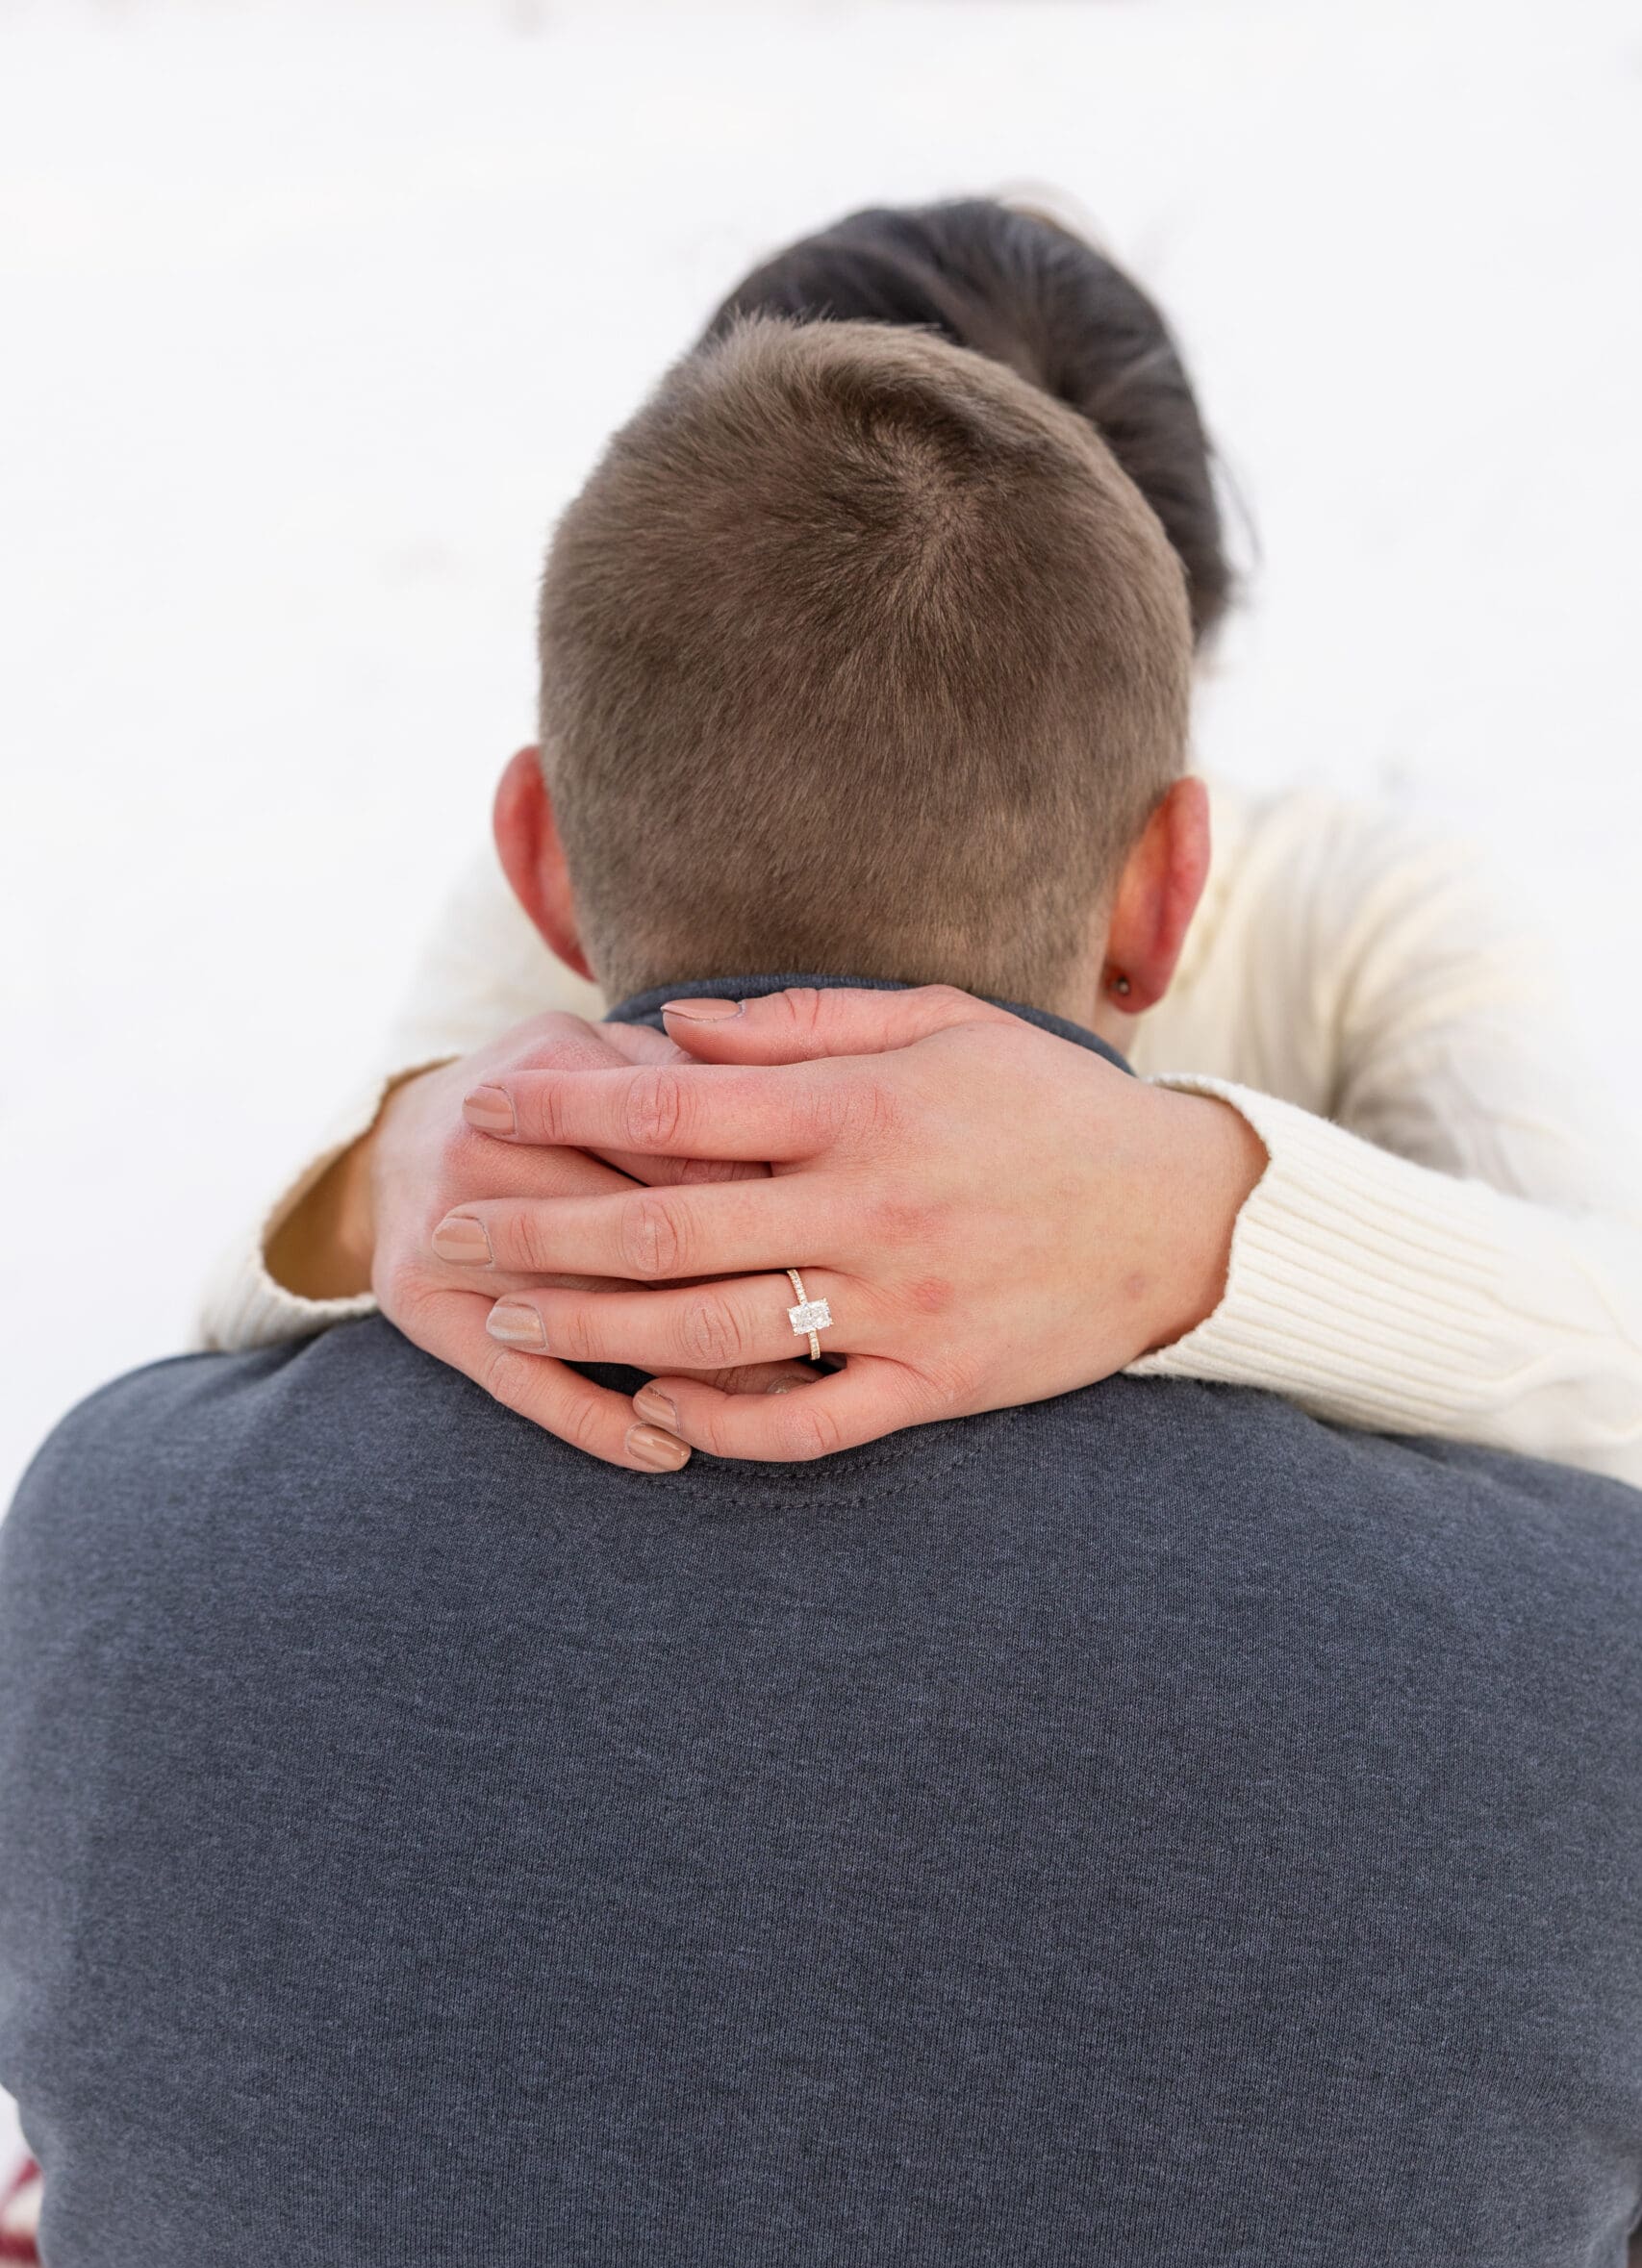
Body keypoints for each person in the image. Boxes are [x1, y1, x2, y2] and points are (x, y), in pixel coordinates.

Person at [3, 313, 1640, 2268]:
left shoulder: (103, 1559)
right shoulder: (1567, 1656)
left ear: (541, 860)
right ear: (1163, 888)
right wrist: (1225, 1225)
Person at [202, 198, 1642, 1486]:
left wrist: (1195, 1213)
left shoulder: (1369, 920)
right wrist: (392, 1167)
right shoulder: (551, 893)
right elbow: (228, 1344)